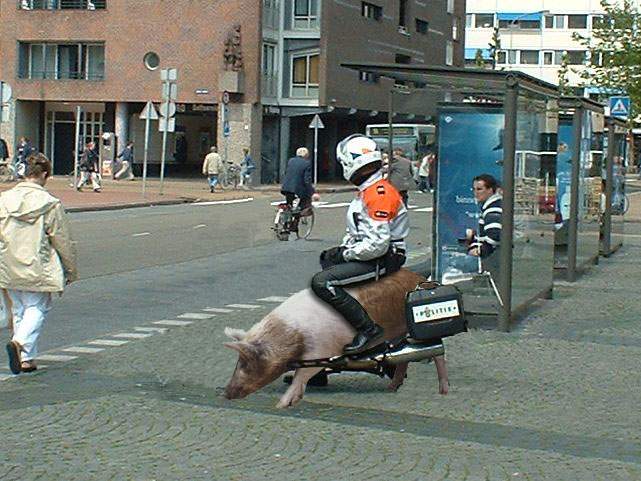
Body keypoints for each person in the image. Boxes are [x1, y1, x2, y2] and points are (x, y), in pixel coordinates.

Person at [311, 134, 409, 354]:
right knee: (329, 268)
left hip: (384, 258)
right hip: (376, 255)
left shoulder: (378, 194)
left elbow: (377, 244)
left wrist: (346, 254)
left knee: (324, 283)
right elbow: (359, 232)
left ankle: (370, 331)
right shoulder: (369, 190)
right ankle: (340, 337)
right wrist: (340, 251)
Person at [0, 153, 77, 374]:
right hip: (37, 264)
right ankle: (20, 343)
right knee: (36, 307)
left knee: (19, 309)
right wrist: (70, 270)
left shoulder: (4, 199)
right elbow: (62, 240)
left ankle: (26, 359)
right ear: (43, 174)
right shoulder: (50, 204)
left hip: (8, 263)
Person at [467, 174, 502, 259]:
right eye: (474, 189)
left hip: (492, 259)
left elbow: (495, 235)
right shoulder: (490, 207)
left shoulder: (493, 209)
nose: (475, 193)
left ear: (490, 190)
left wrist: (480, 251)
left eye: (479, 189)